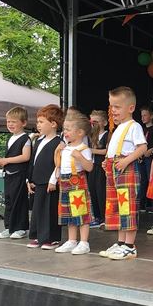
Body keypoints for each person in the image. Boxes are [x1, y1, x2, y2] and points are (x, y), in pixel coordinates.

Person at [99, 86, 147, 260]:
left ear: (131, 108)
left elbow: (142, 147)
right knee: (118, 207)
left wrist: (127, 160)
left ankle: (129, 245)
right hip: (115, 168)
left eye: (117, 106)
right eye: (112, 106)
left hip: (127, 169)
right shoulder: (117, 128)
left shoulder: (134, 126)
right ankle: (120, 243)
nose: (113, 110)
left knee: (128, 206)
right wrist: (107, 162)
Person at [52, 112, 94, 255]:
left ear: (80, 132)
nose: (65, 132)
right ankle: (71, 240)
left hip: (77, 182)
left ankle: (84, 242)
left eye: (69, 129)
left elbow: (89, 167)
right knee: (69, 213)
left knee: (81, 212)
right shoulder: (65, 148)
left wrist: (80, 157)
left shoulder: (84, 149)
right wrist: (57, 153)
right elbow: (58, 165)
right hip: (64, 182)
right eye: (65, 129)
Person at [27, 104, 64, 250]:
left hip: (49, 181)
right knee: (37, 210)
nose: (38, 125)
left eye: (42, 122)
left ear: (53, 124)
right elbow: (33, 160)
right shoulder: (39, 141)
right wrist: (28, 180)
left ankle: (51, 237)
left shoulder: (59, 142)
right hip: (37, 181)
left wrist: (53, 180)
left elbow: (58, 164)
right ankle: (37, 235)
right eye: (38, 122)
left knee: (50, 210)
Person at [0, 107, 32, 240]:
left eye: (14, 122)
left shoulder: (25, 138)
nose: (10, 124)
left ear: (24, 123)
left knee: (19, 201)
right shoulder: (10, 138)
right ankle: (9, 227)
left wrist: (6, 160)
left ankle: (20, 227)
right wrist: (1, 162)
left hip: (20, 174)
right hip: (9, 174)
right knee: (9, 200)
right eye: (8, 121)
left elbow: (25, 156)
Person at [87, 110, 109, 228]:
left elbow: (107, 150)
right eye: (92, 121)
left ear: (104, 122)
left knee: (101, 192)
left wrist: (92, 150)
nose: (93, 124)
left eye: (96, 121)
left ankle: (105, 217)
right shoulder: (91, 136)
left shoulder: (107, 135)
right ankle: (97, 217)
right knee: (93, 191)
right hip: (92, 166)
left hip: (101, 166)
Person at [139, 105, 153, 212]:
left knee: (152, 179)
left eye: (145, 115)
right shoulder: (141, 129)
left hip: (151, 158)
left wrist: (151, 150)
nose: (143, 117)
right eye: (142, 116)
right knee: (143, 181)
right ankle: (141, 204)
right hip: (142, 158)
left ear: (152, 116)